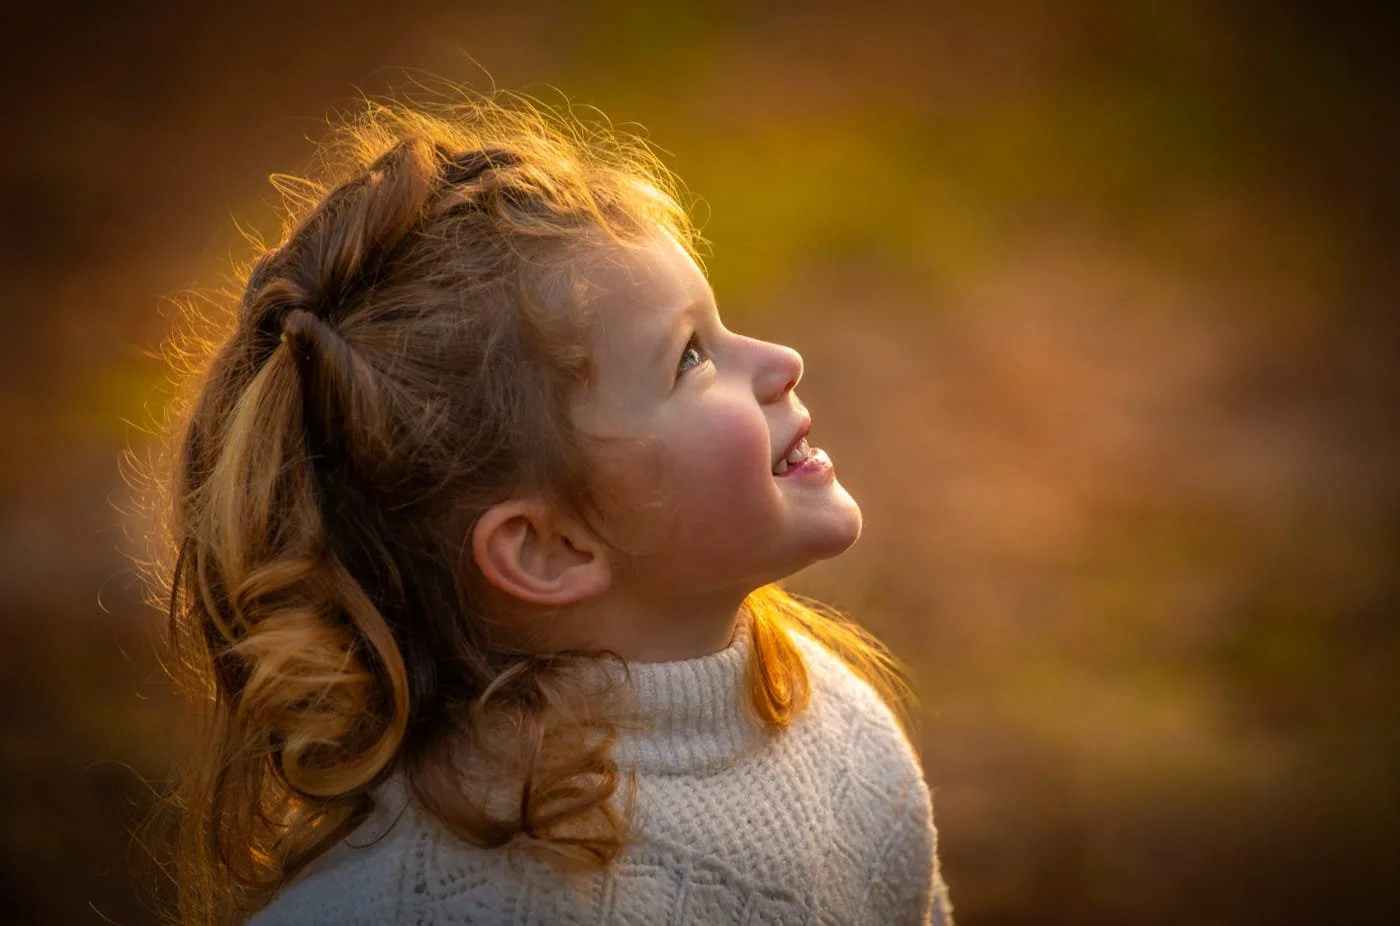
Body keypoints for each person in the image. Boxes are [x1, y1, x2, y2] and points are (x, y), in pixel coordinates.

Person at [142, 85, 954, 925]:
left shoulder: (844, 738)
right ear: (547, 548)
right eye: (689, 359)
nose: (783, 360)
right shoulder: (420, 904)